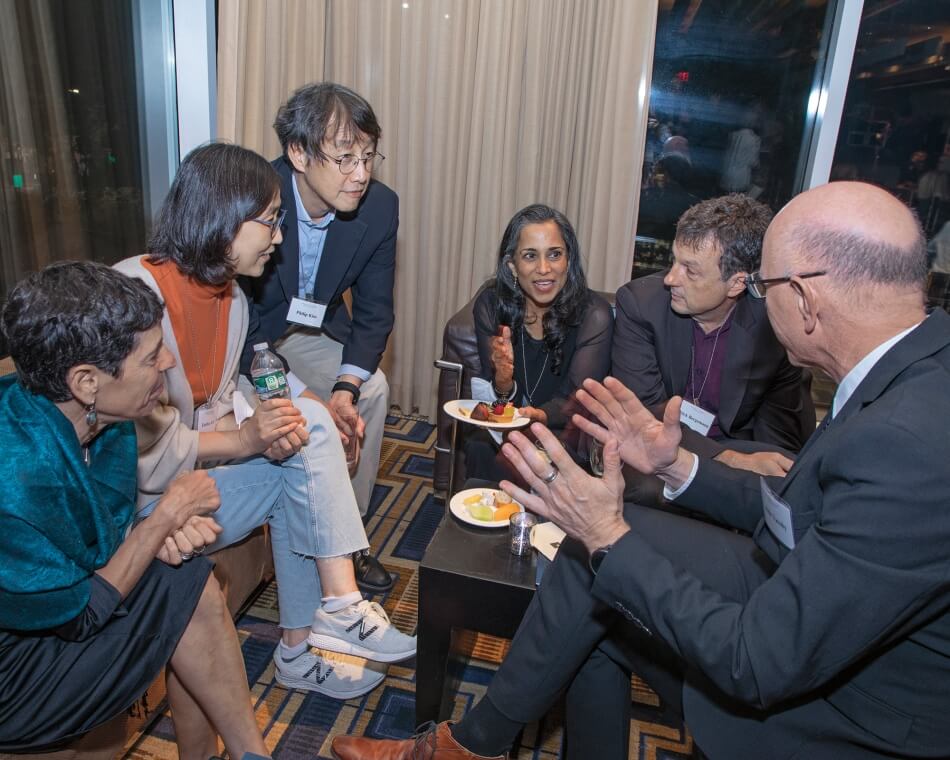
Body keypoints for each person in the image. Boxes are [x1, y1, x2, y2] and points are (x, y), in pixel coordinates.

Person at [331, 181, 950, 759]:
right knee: (593, 576)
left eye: (763, 286)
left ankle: (463, 747)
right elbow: (808, 509)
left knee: (605, 564)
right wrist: (680, 465)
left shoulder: (907, 443)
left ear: (807, 299)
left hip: (846, 707)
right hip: (813, 579)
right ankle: (471, 744)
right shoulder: (912, 370)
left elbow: (756, 661)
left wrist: (609, 536)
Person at [115, 143, 415, 701]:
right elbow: (124, 441)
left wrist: (267, 435)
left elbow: (223, 400)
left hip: (194, 482)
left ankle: (311, 636)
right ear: (224, 218)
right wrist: (243, 438)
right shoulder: (135, 295)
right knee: (306, 432)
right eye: (271, 222)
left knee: (310, 429)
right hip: (137, 499)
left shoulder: (231, 298)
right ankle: (338, 609)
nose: (279, 238)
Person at [0, 262, 270, 758]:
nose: (168, 361)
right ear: (86, 382)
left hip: (61, 613)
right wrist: (165, 519)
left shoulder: (107, 423)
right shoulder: (16, 473)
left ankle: (240, 755)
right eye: (150, 356)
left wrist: (159, 537)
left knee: (185, 575)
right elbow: (77, 615)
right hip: (15, 673)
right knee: (183, 585)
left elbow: (101, 545)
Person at [241, 81, 395, 592]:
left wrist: (345, 390)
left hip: (311, 329)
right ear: (299, 153)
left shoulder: (379, 208)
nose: (362, 174)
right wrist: (310, 395)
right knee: (306, 411)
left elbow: (374, 313)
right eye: (346, 158)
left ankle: (349, 538)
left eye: (369, 156)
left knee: (371, 390)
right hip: (249, 342)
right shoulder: (253, 199)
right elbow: (236, 322)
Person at [613, 194, 814, 484]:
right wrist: (730, 461)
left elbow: (778, 434)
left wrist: (770, 478)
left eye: (690, 270)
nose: (670, 278)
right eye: (674, 261)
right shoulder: (641, 305)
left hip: (735, 447)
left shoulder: (772, 327)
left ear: (736, 284)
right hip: (659, 448)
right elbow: (643, 413)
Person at [464, 203, 613, 480]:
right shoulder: (491, 305)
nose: (544, 269)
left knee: (527, 454)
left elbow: (577, 401)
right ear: (512, 266)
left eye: (554, 254)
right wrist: (504, 381)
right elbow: (496, 395)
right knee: (479, 446)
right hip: (509, 423)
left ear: (568, 260)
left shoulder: (595, 315)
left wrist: (538, 416)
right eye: (530, 256)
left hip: (565, 429)